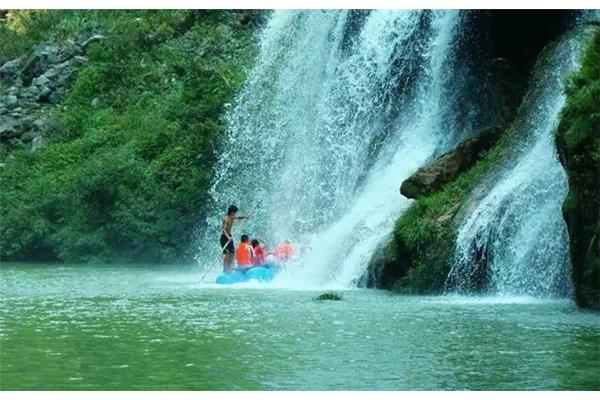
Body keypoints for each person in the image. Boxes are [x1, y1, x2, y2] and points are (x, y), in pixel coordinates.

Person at [220, 205, 248, 272]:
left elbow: (238, 217)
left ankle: (229, 268)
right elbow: (223, 229)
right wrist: (228, 237)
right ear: (232, 212)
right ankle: (225, 269)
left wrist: (245, 217)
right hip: (224, 237)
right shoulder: (225, 218)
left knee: (232, 253)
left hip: (229, 236)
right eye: (235, 212)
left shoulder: (232, 217)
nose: (235, 214)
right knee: (227, 253)